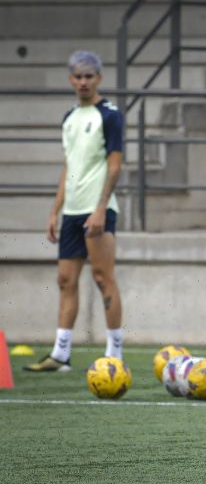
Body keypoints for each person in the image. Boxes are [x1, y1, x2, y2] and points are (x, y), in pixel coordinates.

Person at [25, 51, 124, 372]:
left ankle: (114, 354)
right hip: (71, 211)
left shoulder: (109, 115)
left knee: (102, 277)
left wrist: (99, 209)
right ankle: (61, 354)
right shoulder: (69, 117)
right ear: (71, 79)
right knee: (66, 280)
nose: (84, 82)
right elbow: (70, 166)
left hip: (98, 211)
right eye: (78, 76)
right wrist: (55, 211)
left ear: (99, 79)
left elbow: (115, 165)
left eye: (89, 76)